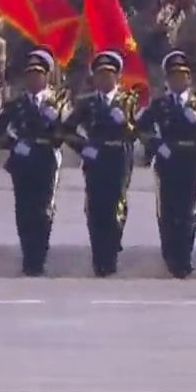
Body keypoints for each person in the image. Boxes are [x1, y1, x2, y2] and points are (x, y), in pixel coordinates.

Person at [61, 51, 139, 277]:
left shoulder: (127, 100)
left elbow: (140, 129)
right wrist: (84, 147)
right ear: (94, 78)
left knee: (117, 204)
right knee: (96, 207)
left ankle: (112, 248)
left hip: (119, 157)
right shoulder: (87, 103)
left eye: (109, 75)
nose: (105, 80)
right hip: (96, 158)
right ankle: (99, 255)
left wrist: (128, 126)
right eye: (100, 75)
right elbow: (67, 129)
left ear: (117, 77)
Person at [0, 49, 68, 276]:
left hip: (46, 160)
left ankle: (39, 257)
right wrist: (14, 145)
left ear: (46, 77)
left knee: (44, 210)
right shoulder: (15, 105)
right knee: (24, 210)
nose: (34, 79)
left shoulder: (57, 103)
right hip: (22, 163)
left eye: (39, 74)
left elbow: (65, 131)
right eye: (30, 75)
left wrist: (54, 138)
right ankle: (28, 256)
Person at [134, 51, 196, 278]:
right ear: (167, 79)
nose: (178, 80)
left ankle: (184, 257)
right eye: (173, 76)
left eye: (182, 76)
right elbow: (141, 127)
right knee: (168, 210)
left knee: (188, 210)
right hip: (167, 160)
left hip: (190, 159)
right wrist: (157, 146)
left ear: (189, 79)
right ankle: (171, 255)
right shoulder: (160, 104)